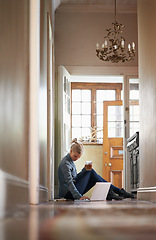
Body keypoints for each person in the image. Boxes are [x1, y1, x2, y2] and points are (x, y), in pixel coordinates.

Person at [58, 138, 134, 201]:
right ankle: (117, 191)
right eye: (75, 156)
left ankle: (113, 192)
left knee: (90, 172)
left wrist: (84, 170)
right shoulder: (65, 164)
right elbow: (70, 182)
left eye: (79, 157)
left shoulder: (70, 160)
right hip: (68, 194)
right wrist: (79, 196)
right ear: (70, 151)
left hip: (71, 191)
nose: (76, 159)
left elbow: (75, 178)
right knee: (91, 172)